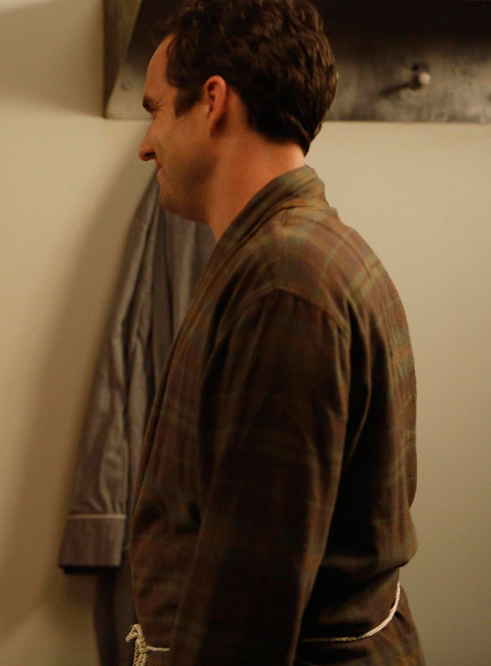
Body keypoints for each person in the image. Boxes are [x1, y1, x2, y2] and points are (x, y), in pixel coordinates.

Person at [128, 1, 424, 664]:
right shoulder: (292, 254)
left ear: (213, 101)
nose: (145, 144)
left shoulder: (285, 283)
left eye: (156, 110)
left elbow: (245, 611)